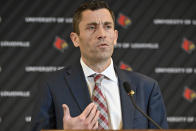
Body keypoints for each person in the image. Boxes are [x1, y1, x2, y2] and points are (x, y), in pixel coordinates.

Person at [31, 0, 168, 130]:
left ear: (115, 37)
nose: (102, 34)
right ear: (75, 39)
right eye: (92, 27)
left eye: (107, 27)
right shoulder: (52, 85)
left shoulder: (147, 88)